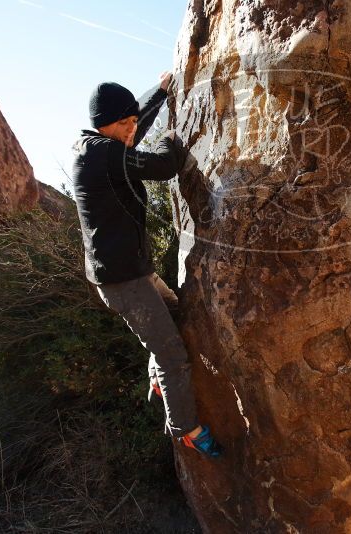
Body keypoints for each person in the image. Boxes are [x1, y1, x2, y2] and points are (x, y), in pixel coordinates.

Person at [70, 72, 222, 458]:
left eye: (131, 121)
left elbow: (136, 125)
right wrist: (174, 139)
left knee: (174, 315)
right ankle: (184, 428)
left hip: (133, 270)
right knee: (171, 353)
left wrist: (160, 93)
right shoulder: (103, 154)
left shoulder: (102, 143)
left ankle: (158, 380)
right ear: (102, 124)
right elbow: (162, 166)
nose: (130, 130)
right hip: (124, 280)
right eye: (123, 124)